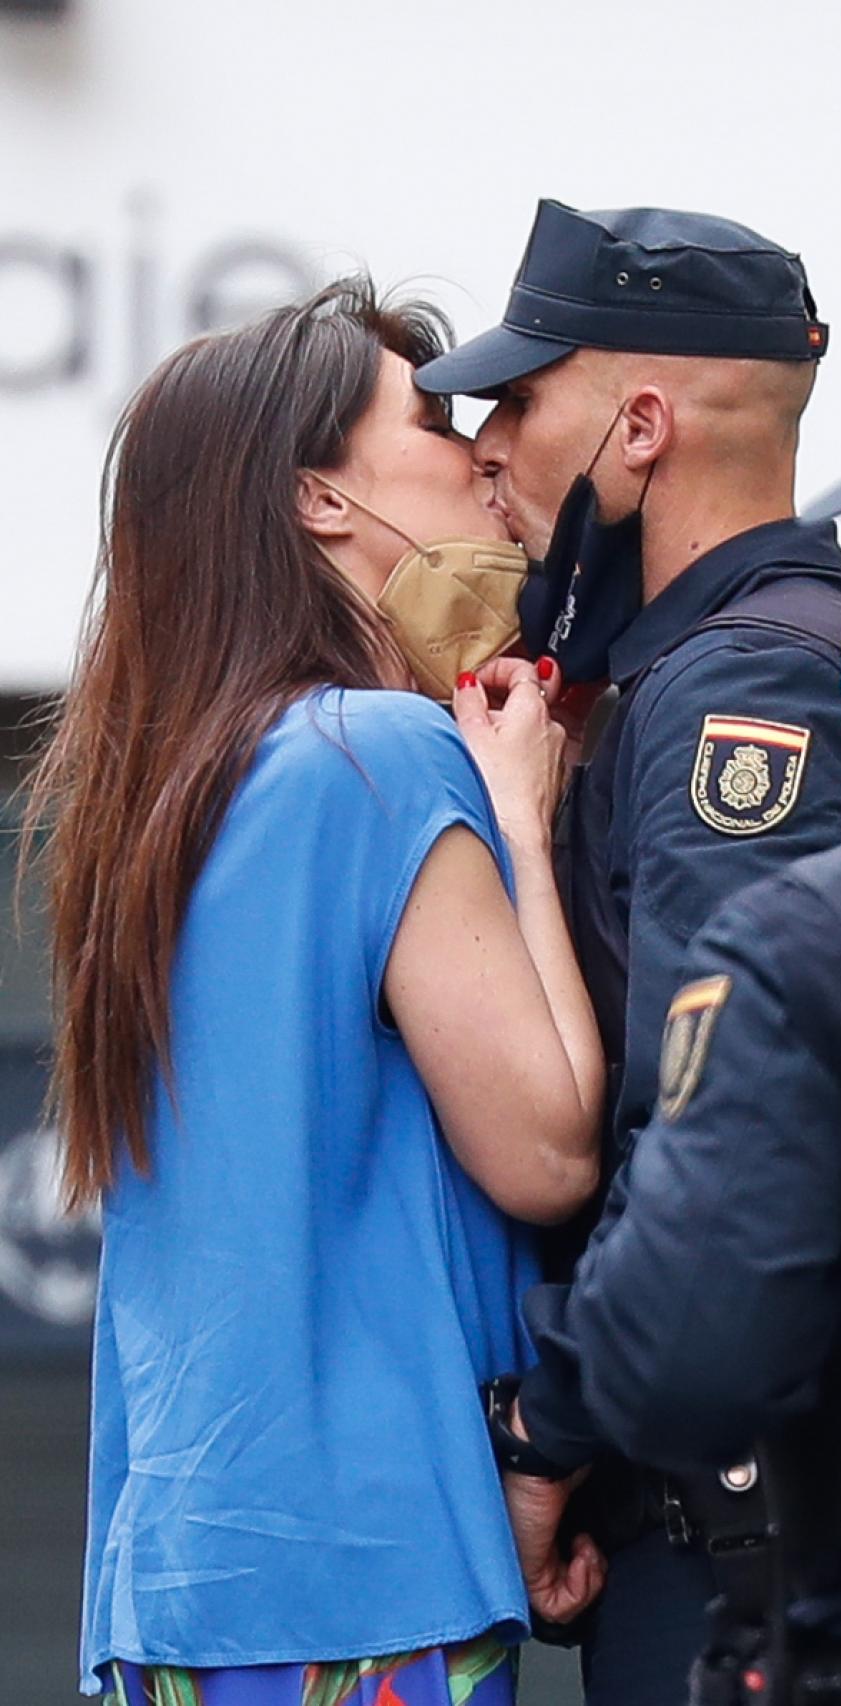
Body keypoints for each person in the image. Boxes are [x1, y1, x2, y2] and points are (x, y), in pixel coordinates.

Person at [23, 279, 607, 1706]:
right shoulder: (380, 755)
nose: (479, 450)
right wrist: (524, 819)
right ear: (317, 499)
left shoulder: (172, 791)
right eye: (430, 418)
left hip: (178, 1567)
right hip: (364, 1564)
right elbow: (548, 1145)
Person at [416, 200, 841, 1703]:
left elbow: (712, 1137)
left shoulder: (736, 694)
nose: (484, 447)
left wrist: (544, 1440)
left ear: (638, 426)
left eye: (520, 398)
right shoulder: (706, 669)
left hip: (744, 1568)